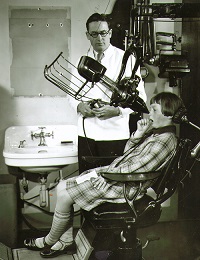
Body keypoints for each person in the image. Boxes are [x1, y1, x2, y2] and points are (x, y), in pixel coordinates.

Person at [24, 92, 185, 258]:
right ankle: (64, 241)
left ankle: (50, 241)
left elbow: (138, 168)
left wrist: (107, 176)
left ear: (169, 114)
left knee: (65, 196)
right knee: (62, 186)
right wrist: (137, 135)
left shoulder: (165, 141)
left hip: (125, 187)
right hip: (117, 178)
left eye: (154, 110)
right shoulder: (156, 134)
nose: (149, 114)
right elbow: (126, 155)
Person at [67, 13, 147, 174]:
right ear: (87, 35)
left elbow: (141, 99)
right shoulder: (81, 61)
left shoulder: (126, 59)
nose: (99, 38)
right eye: (94, 34)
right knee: (86, 181)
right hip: (86, 134)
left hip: (115, 136)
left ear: (110, 33)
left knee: (112, 184)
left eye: (103, 33)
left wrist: (117, 110)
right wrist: (79, 105)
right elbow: (70, 95)